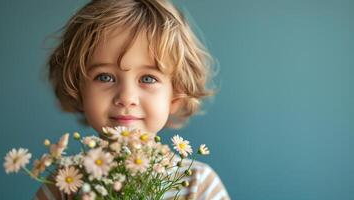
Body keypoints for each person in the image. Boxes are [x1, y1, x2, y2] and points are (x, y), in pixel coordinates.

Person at [34, 0, 230, 199]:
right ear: (77, 89)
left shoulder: (198, 184)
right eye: (105, 77)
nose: (126, 98)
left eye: (147, 78)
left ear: (175, 95)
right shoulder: (64, 184)